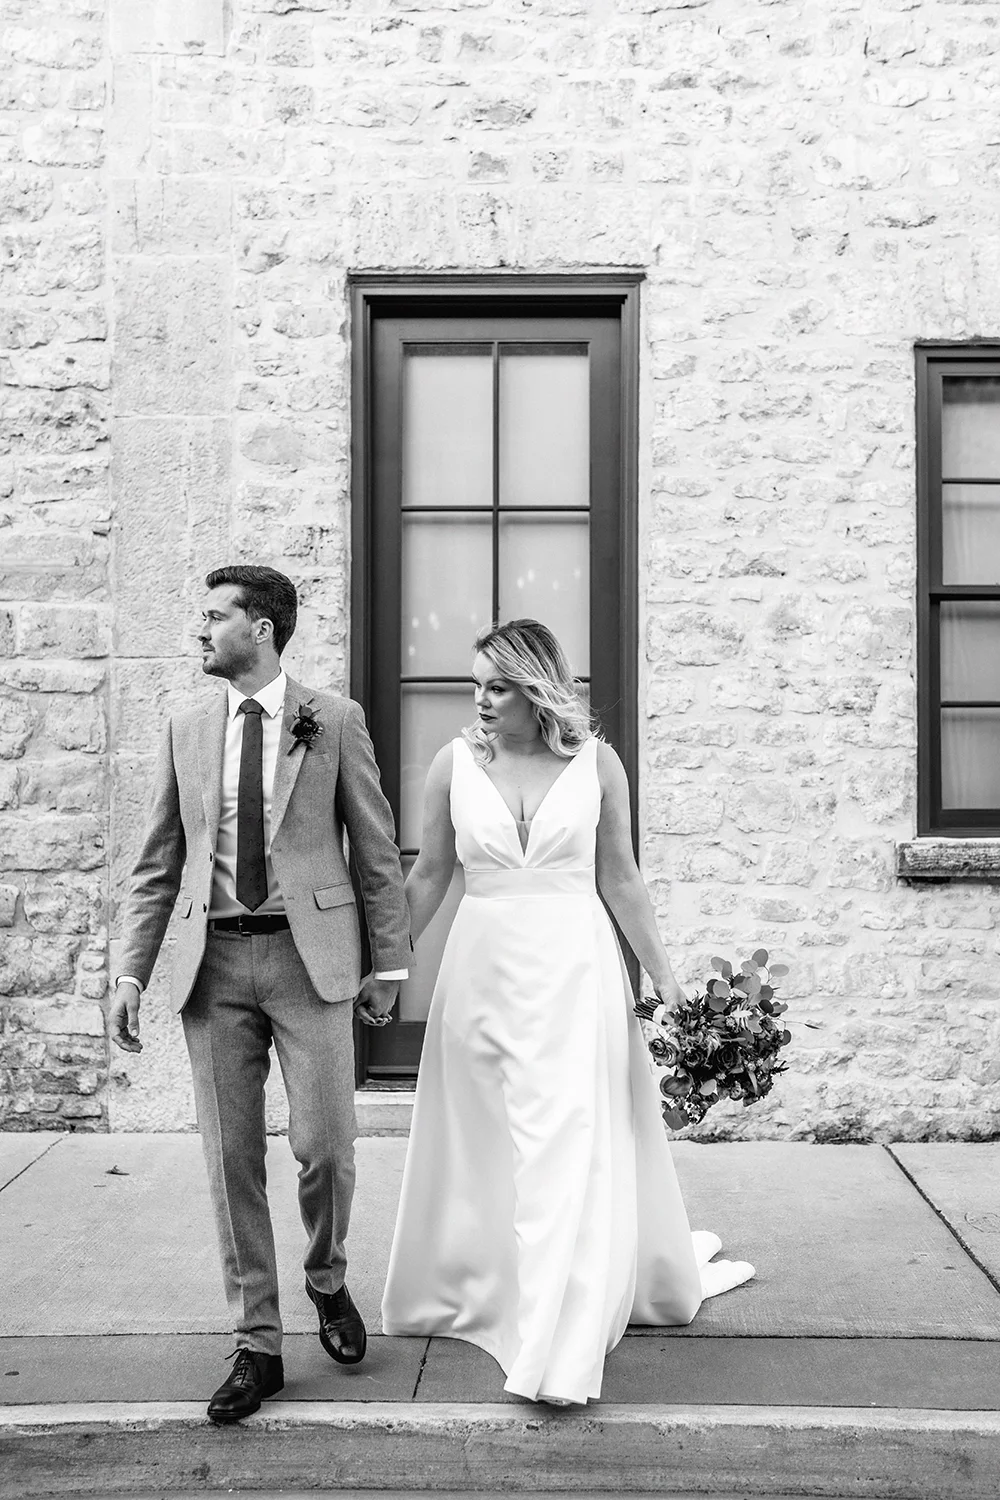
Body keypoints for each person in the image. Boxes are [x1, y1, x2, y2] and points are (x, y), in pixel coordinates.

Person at [381, 618, 753, 1406]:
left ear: (538, 688)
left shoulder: (597, 764)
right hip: (480, 973)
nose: (482, 701)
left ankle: (557, 1336)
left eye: (499, 687)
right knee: (491, 1139)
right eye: (476, 686)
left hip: (575, 973)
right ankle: (496, 1287)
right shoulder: (453, 765)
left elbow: (621, 879)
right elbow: (431, 876)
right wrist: (386, 971)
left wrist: (670, 984)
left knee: (564, 1140)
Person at [108, 565, 410, 1423]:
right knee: (230, 1159)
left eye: (216, 616)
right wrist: (130, 971)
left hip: (308, 962)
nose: (200, 630)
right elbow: (158, 861)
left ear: (263, 629)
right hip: (212, 969)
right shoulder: (186, 726)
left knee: (326, 1147)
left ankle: (328, 1278)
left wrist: (389, 967)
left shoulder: (334, 719)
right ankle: (258, 1343)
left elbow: (375, 849)